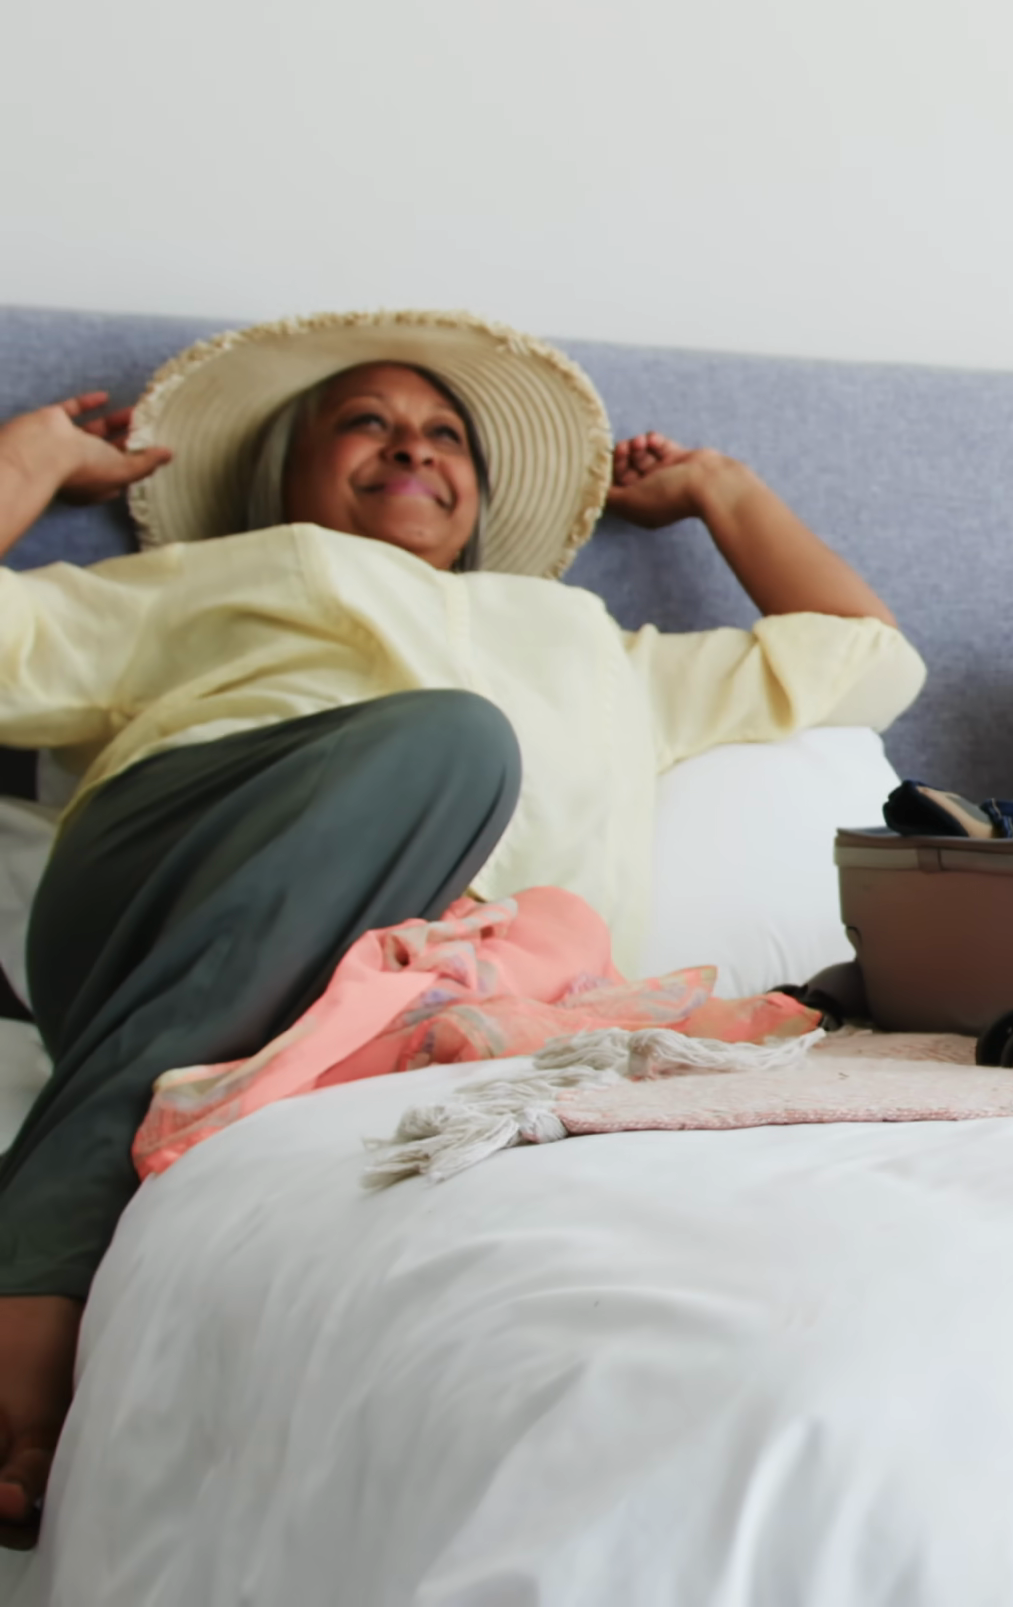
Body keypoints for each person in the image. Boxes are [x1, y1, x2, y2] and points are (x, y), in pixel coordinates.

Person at [0, 309, 925, 1546]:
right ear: (283, 474)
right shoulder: (220, 575)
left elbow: (872, 660)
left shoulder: (590, 643)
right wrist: (28, 460)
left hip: (453, 997)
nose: (412, 446)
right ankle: (42, 1250)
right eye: (365, 422)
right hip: (164, 897)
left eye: (446, 435)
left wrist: (722, 489)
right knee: (453, 741)